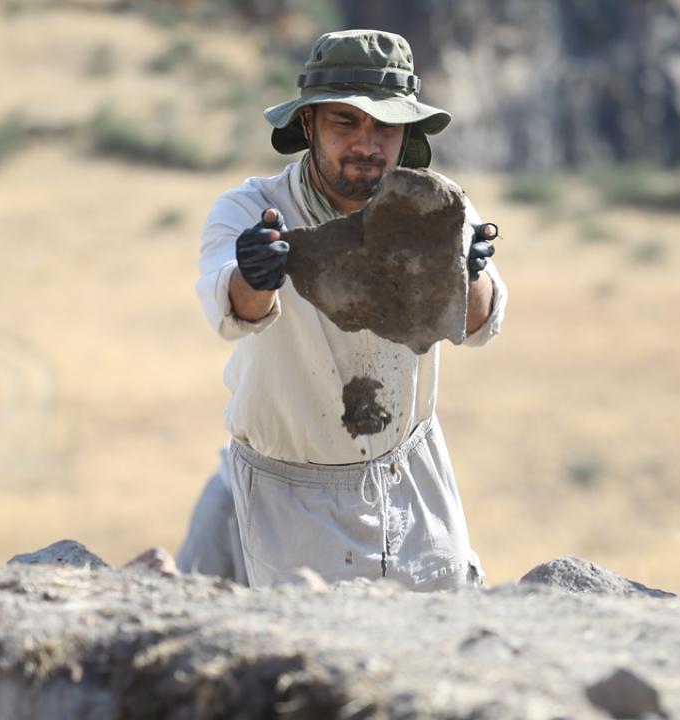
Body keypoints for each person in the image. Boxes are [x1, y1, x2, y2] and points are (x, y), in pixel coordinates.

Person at [176, 29, 507, 591]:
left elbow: (478, 326)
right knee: (313, 640)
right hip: (293, 497)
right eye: (345, 122)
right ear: (308, 124)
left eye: (385, 126)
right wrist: (256, 273)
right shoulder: (252, 209)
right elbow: (230, 310)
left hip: (413, 475)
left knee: (442, 633)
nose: (366, 144)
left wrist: (467, 270)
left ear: (407, 132)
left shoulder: (435, 203)